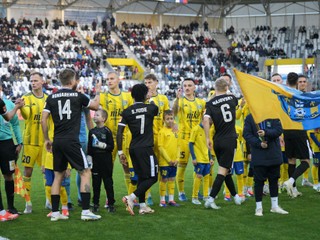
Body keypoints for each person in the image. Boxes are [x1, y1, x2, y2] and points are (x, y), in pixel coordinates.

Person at [41, 68, 101, 221]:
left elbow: (43, 119)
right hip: (72, 141)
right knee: (85, 172)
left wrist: (47, 139)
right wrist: (98, 91)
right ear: (73, 80)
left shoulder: (52, 97)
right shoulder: (78, 96)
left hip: (58, 141)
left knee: (58, 176)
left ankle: (55, 212)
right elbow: (94, 106)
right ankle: (86, 211)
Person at [117, 84, 158, 216]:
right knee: (152, 177)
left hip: (133, 148)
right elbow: (155, 108)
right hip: (146, 148)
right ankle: (130, 198)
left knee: (142, 177)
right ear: (145, 94)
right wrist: (150, 98)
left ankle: (142, 206)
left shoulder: (127, 111)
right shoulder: (151, 108)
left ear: (132, 95)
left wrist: (120, 151)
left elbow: (119, 132)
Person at [203, 77, 244, 209]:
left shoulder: (210, 103)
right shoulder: (232, 98)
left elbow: (205, 120)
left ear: (215, 88)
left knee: (226, 170)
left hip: (217, 139)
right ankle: (211, 198)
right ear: (226, 87)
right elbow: (237, 103)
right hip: (229, 139)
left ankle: (236, 196)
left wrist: (207, 138)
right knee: (223, 171)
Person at [243, 114, 289, 216]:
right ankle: (259, 208)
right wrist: (259, 144)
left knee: (274, 180)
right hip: (259, 155)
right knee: (259, 182)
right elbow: (246, 134)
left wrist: (266, 132)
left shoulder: (273, 115)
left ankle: (275, 206)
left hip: (273, 154)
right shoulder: (250, 117)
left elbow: (278, 130)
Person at [100, 71, 133, 203]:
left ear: (118, 80)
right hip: (108, 138)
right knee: (108, 169)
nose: (109, 81)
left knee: (127, 167)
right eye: (107, 79)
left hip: (124, 138)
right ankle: (109, 198)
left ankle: (131, 197)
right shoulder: (103, 96)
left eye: (112, 78)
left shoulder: (127, 96)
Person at [172, 78, 205, 201]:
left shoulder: (201, 103)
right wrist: (177, 98)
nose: (187, 88)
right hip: (184, 138)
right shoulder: (180, 102)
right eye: (185, 85)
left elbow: (204, 120)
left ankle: (196, 192)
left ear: (194, 87)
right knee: (182, 166)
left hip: (197, 139)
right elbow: (174, 113)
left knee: (199, 166)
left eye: (189, 85)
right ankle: (181, 192)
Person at [20, 72, 48, 214]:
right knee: (28, 171)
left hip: (45, 143)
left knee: (46, 171)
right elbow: (26, 114)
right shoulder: (27, 97)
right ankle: (28, 203)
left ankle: (49, 200)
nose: (33, 83)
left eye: (36, 80)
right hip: (30, 142)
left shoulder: (48, 99)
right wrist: (20, 107)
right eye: (31, 81)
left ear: (42, 82)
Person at [283, 72, 312, 198]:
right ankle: (291, 180)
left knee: (291, 161)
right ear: (297, 83)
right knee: (305, 161)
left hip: (287, 131)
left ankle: (293, 191)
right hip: (299, 131)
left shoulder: (284, 95)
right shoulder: (303, 96)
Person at [144, 73, 170, 205]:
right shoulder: (143, 100)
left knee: (163, 167)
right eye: (146, 83)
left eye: (150, 82)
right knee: (148, 167)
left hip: (161, 139)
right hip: (147, 139)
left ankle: (162, 196)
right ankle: (147, 195)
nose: (148, 85)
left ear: (156, 83)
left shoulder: (163, 99)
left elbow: (168, 117)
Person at [0, 88, 23, 221]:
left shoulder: (6, 103)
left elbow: (14, 124)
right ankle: (1, 211)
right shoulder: (8, 105)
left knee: (8, 174)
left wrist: (19, 142)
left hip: (7, 145)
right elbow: (8, 116)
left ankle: (10, 207)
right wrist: (17, 107)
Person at [87, 109, 115, 213]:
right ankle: (95, 203)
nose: (95, 116)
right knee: (96, 183)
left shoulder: (107, 131)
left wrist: (102, 145)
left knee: (108, 182)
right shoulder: (92, 132)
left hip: (106, 160)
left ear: (103, 119)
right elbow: (89, 148)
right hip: (96, 161)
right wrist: (89, 159)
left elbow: (111, 147)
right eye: (95, 115)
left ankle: (111, 204)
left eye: (97, 115)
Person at [158, 110, 179, 207]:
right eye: (167, 119)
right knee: (164, 180)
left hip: (174, 161)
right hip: (165, 162)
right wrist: (168, 160)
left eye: (171, 118)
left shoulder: (176, 131)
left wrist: (177, 159)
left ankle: (171, 199)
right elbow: (160, 147)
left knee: (172, 179)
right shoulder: (162, 132)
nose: (170, 121)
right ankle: (162, 200)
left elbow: (178, 145)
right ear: (163, 120)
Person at [189, 119, 214, 205]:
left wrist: (210, 158)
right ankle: (194, 197)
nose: (209, 127)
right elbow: (190, 144)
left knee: (207, 177)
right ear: (204, 121)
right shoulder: (196, 129)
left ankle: (205, 196)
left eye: (211, 126)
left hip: (206, 158)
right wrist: (194, 157)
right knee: (198, 176)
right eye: (209, 125)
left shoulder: (208, 132)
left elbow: (208, 146)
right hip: (199, 159)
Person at [297, 74, 313, 187]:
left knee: (307, 156)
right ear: (297, 84)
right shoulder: (294, 95)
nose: (302, 83)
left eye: (304, 81)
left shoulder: (309, 96)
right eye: (300, 82)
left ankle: (305, 179)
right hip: (297, 130)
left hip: (309, 131)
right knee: (291, 159)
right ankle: (288, 181)